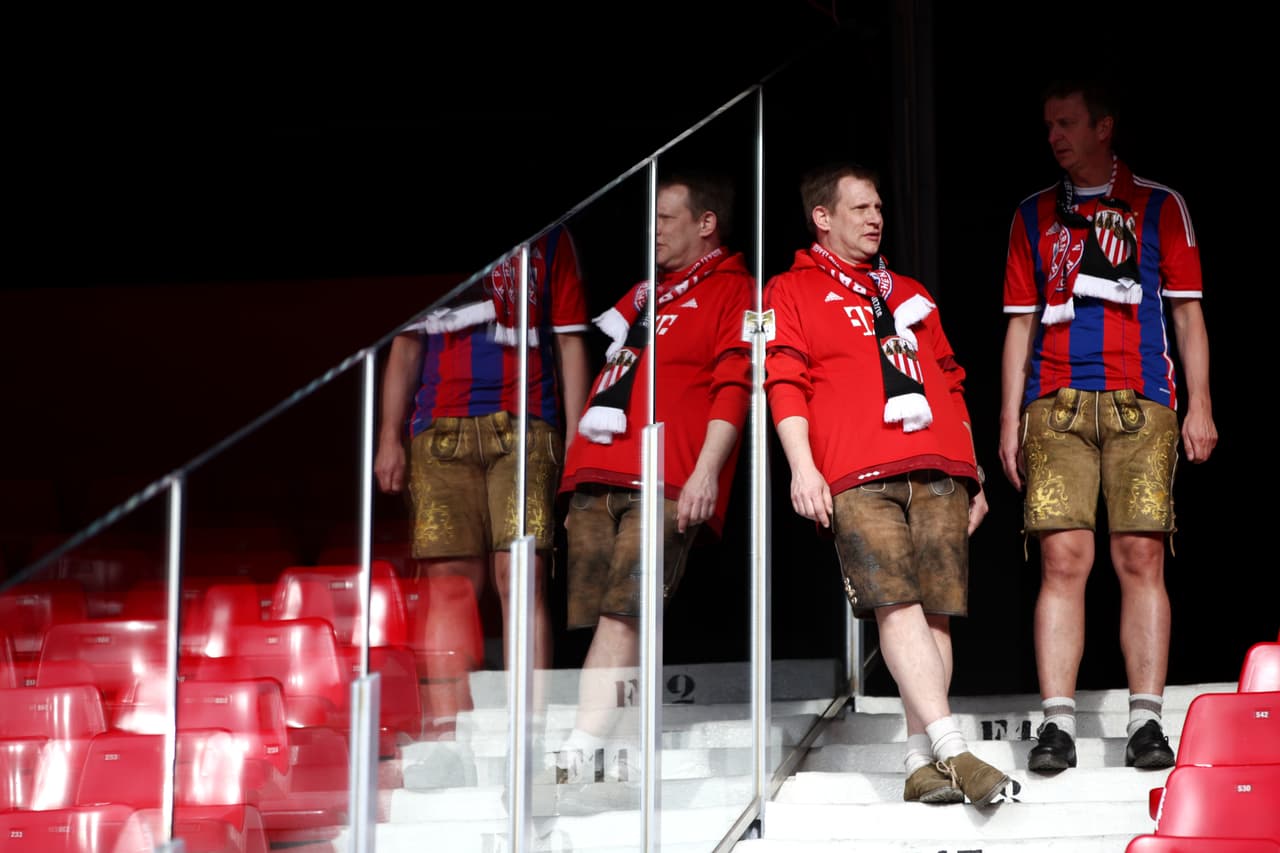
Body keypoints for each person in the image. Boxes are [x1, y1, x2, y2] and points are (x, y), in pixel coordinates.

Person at [764, 162, 1010, 806]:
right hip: (857, 472)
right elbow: (783, 377)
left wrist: (975, 469)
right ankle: (955, 748)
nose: (876, 219)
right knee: (894, 603)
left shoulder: (908, 289)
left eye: (879, 209)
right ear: (822, 216)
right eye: (860, 209)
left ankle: (916, 760)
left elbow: (951, 378)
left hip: (940, 468)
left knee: (935, 614)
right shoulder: (787, 289)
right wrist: (802, 465)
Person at [999, 78, 1217, 773]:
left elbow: (1186, 312)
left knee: (1140, 558)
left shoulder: (1159, 203)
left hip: (1141, 400)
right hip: (1055, 403)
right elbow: (1019, 323)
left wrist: (1202, 403)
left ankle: (1146, 722)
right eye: (1048, 126)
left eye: (1066, 123)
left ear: (1103, 127)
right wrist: (1009, 419)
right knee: (1063, 559)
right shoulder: (1033, 214)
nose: (1055, 136)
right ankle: (1056, 725)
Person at [551, 171, 754, 782]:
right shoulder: (645, 293)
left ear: (705, 223)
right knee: (602, 617)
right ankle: (608, 739)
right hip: (599, 472)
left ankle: (580, 748)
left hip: (664, 479)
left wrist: (705, 474)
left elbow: (734, 387)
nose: (653, 231)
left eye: (665, 219)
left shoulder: (735, 289)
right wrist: (574, 471)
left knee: (624, 612)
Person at [374, 224, 590, 726]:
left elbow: (571, 341)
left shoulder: (550, 238)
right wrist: (389, 436)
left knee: (521, 577)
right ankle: (450, 732)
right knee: (449, 586)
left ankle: (528, 727)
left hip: (526, 426)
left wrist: (577, 445)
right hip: (438, 430)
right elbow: (405, 343)